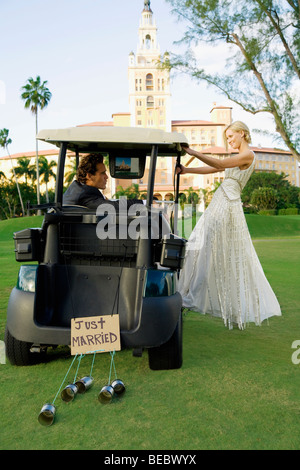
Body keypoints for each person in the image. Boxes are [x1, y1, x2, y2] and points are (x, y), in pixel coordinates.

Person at [176, 121, 281, 329]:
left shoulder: (248, 155)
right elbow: (214, 168)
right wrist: (188, 169)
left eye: (231, 137)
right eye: (228, 138)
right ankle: (185, 293)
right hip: (221, 201)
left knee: (202, 247)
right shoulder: (237, 157)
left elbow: (219, 165)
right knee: (199, 244)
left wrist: (192, 151)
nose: (229, 141)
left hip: (227, 204)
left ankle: (186, 295)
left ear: (243, 133)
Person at [63, 153, 143, 210]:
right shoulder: (85, 195)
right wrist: (143, 202)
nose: (106, 177)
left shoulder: (77, 189)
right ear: (89, 176)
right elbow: (113, 207)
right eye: (102, 173)